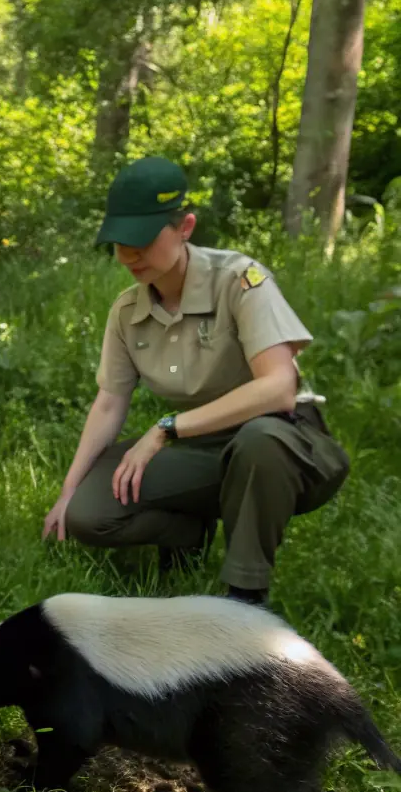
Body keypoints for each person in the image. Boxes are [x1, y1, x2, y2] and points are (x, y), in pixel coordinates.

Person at [42, 156, 350, 603]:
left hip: (286, 438)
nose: (129, 254)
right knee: (89, 513)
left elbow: (278, 387)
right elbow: (110, 401)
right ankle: (186, 533)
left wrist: (167, 428)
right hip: (204, 447)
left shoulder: (239, 281)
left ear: (185, 227)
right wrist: (67, 494)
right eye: (119, 242)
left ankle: (245, 596)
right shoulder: (127, 313)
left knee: (259, 441)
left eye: (142, 240)